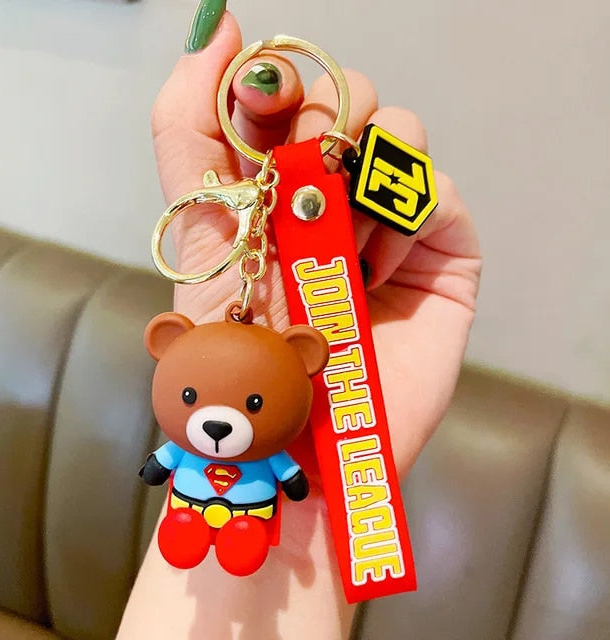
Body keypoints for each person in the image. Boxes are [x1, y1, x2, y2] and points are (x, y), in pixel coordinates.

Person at [118, 3, 481, 638]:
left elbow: (285, 475)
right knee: (192, 530)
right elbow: (171, 459)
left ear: (306, 353)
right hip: (195, 506)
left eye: (254, 403)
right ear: (166, 342)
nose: (218, 418)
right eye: (193, 396)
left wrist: (321, 483)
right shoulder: (198, 440)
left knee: (242, 540)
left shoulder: (283, 434)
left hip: (261, 512)